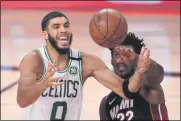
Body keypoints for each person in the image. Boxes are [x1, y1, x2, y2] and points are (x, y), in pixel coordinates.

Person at [16, 11, 150, 120]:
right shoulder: (34, 60)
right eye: (56, 27)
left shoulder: (87, 62)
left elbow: (126, 91)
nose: (63, 30)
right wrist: (42, 85)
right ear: (45, 34)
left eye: (66, 26)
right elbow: (22, 100)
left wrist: (139, 71)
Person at [99, 32, 169, 120]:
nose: (120, 60)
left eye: (126, 55)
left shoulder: (146, 85)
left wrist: (137, 59)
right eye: (116, 55)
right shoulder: (106, 103)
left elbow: (158, 75)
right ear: (112, 60)